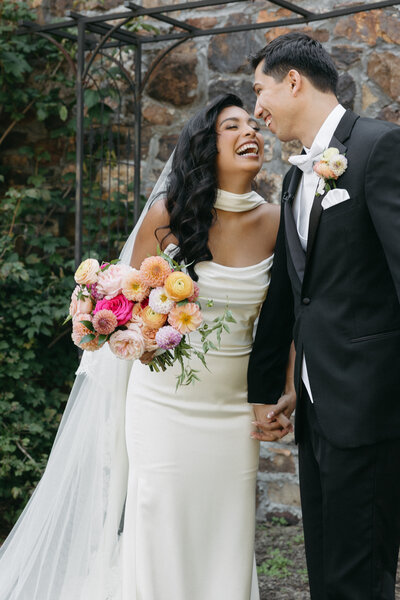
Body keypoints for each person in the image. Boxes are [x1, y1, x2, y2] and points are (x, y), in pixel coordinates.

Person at [0, 93, 293, 600]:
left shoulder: (275, 223)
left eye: (253, 125)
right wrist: (128, 333)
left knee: (227, 533)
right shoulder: (169, 214)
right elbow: (129, 311)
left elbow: (284, 322)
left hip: (232, 414)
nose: (251, 132)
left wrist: (281, 390)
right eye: (232, 126)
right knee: (160, 525)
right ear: (206, 144)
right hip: (164, 406)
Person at [248, 32, 400, 599]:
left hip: (370, 404)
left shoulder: (379, 148)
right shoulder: (293, 179)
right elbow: (293, 293)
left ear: (293, 81)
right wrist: (269, 388)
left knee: (362, 572)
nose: (256, 108)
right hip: (316, 408)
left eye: (261, 90)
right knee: (328, 569)